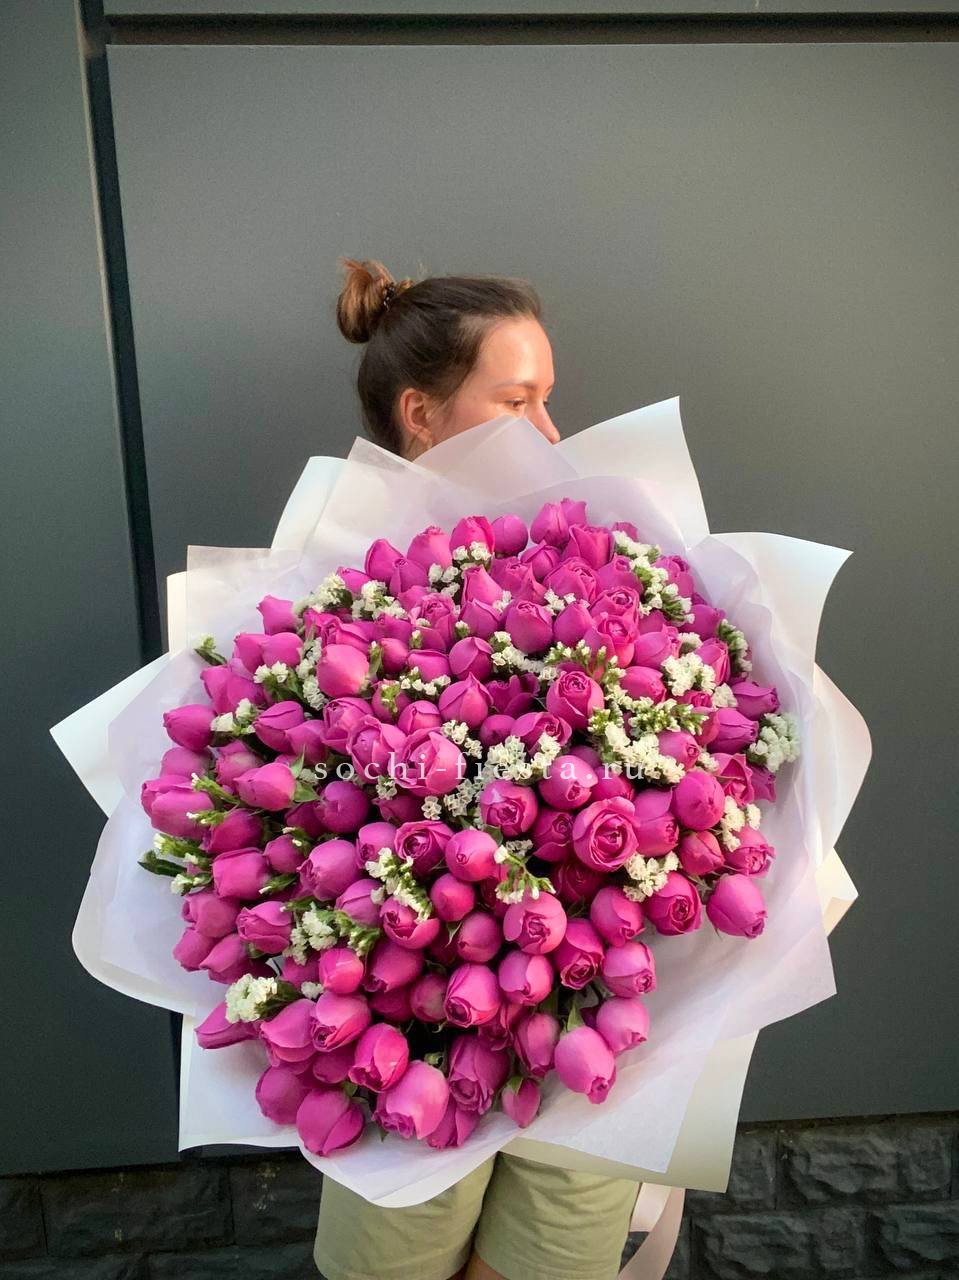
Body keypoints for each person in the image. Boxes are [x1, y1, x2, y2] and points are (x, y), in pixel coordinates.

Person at [311, 257, 642, 1280]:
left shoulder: (609, 565)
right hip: (406, 1034)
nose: (550, 431)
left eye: (548, 398)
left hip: (583, 1026)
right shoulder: (331, 592)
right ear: (420, 412)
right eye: (515, 401)